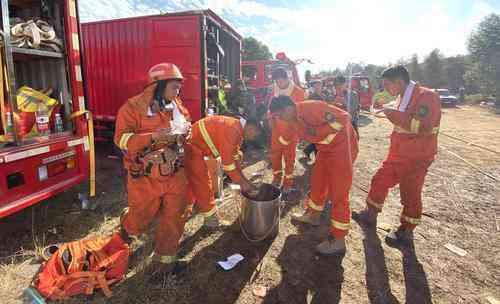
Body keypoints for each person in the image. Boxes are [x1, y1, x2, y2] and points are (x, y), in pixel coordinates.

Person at [114, 63, 191, 278]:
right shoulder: (132, 108)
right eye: (174, 87)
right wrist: (153, 137)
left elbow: (186, 124)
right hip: (144, 177)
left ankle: (164, 263)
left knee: (174, 216)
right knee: (141, 217)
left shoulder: (176, 106)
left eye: (179, 88)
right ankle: (128, 228)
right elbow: (121, 139)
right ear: (158, 85)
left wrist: (185, 133)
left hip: (174, 172)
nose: (178, 92)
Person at [353, 65, 441, 247]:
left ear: (399, 82)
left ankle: (406, 231)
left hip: (417, 156)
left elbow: (421, 126)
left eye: (386, 85)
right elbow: (404, 117)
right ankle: (370, 215)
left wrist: (392, 114)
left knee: (410, 193)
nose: (385, 89)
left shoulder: (427, 96)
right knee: (379, 180)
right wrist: (387, 109)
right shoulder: (404, 96)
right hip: (400, 154)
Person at [269, 96, 358, 255]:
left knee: (338, 193)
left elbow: (344, 117)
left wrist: (318, 132)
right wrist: (273, 151)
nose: (280, 119)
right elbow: (283, 140)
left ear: (288, 108)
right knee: (317, 182)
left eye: (280, 115)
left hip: (342, 147)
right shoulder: (291, 120)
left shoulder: (311, 107)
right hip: (325, 149)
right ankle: (313, 216)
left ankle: (338, 240)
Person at [184, 115, 261, 228]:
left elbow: (234, 160)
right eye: (255, 134)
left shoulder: (238, 130)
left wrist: (245, 181)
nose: (253, 138)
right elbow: (228, 164)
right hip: (192, 148)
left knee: (193, 181)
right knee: (203, 183)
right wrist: (242, 184)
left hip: (195, 146)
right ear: (251, 128)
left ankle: (186, 208)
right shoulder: (233, 130)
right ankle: (211, 220)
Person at [268, 68, 306, 192]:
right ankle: (277, 177)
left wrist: (289, 136)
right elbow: (271, 108)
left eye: (281, 80)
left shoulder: (298, 92)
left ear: (287, 78)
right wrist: (270, 121)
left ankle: (288, 182)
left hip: (291, 131)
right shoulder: (275, 89)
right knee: (275, 156)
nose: (279, 83)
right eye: (277, 81)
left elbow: (299, 116)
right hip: (276, 130)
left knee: (289, 157)